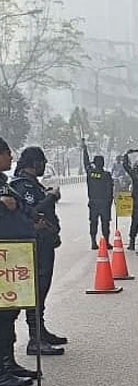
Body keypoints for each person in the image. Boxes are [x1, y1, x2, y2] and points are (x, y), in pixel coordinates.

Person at [10, 147, 66, 356]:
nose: (44, 165)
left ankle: (40, 331)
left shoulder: (33, 184)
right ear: (34, 163)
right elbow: (35, 211)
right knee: (37, 287)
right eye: (42, 162)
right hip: (34, 243)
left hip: (44, 241)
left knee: (43, 287)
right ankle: (35, 339)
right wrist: (51, 196)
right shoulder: (23, 186)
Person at [0, 137, 38, 386]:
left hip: (14, 257)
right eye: (7, 153)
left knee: (10, 312)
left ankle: (8, 363)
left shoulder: (3, 182)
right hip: (4, 257)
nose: (11, 158)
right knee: (2, 316)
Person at [82, 139, 114, 250]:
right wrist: (110, 202)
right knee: (105, 223)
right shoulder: (106, 175)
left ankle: (93, 242)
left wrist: (84, 149)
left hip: (93, 201)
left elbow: (85, 162)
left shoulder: (90, 173)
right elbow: (110, 190)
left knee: (93, 222)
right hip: (104, 203)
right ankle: (106, 242)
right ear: (103, 163)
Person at [122, 153, 138, 250]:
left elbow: (126, 166)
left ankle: (132, 243)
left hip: (137, 202)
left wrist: (126, 155)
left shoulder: (135, 176)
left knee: (135, 223)